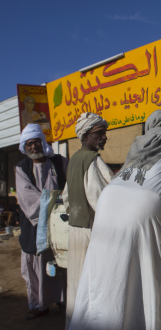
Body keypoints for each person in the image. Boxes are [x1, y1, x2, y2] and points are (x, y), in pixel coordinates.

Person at [69, 110, 161, 330]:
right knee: (154, 276)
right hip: (145, 207)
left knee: (110, 275)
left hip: (108, 201)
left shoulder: (138, 142)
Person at [63, 112, 113, 328]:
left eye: (104, 133)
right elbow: (102, 199)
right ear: (85, 136)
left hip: (75, 230)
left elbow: (66, 196)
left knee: (77, 283)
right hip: (91, 232)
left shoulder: (75, 159)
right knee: (94, 284)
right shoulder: (92, 160)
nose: (104, 137)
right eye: (99, 133)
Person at [15, 123, 67, 320]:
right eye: (28, 144)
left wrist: (61, 199)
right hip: (35, 227)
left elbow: (72, 184)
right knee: (35, 269)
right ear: (24, 146)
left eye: (36, 142)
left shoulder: (60, 162)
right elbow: (28, 200)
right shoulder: (22, 168)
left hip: (61, 225)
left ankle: (64, 302)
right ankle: (39, 305)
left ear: (42, 142)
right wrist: (56, 199)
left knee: (62, 265)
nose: (33, 147)